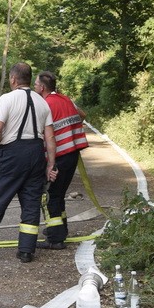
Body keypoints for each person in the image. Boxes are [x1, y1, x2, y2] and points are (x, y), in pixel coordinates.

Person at [0, 62, 57, 263]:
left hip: (11, 154)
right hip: (36, 154)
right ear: (29, 79)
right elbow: (50, 137)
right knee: (31, 203)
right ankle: (26, 251)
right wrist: (50, 164)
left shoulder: (7, 99)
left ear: (12, 79)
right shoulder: (43, 102)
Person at [34, 71, 88, 249]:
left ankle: (55, 239)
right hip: (73, 154)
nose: (34, 87)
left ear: (42, 87)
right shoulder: (66, 99)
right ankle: (60, 231)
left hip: (59, 156)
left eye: (36, 85)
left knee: (51, 196)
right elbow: (82, 115)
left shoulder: (45, 104)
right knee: (59, 194)